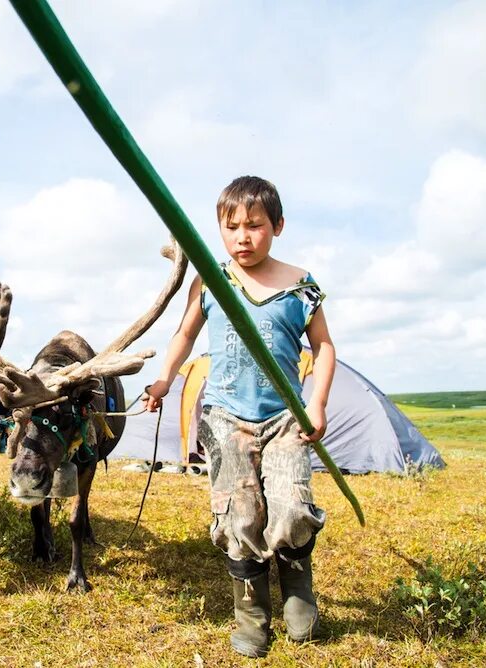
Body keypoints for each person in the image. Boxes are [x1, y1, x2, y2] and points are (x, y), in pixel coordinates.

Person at [142, 175, 335, 658]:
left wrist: (317, 404)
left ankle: (298, 589)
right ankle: (250, 611)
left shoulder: (301, 285)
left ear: (279, 226)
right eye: (231, 227)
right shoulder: (211, 279)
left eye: (254, 226)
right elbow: (184, 336)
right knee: (238, 515)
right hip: (226, 417)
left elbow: (324, 348)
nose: (242, 237)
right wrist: (165, 377)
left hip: (286, 418)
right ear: (220, 230)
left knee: (291, 508)